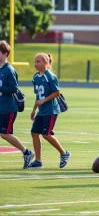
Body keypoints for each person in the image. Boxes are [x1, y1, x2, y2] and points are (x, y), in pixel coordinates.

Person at [28, 53, 70, 169]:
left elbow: (57, 92)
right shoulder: (35, 78)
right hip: (41, 111)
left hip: (51, 110)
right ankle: (38, 161)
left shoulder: (50, 76)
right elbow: (38, 97)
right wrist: (34, 110)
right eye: (35, 61)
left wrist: (45, 100)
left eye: (38, 61)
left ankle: (64, 153)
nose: (36, 64)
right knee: (34, 133)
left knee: (46, 134)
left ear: (46, 62)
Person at [0, 41, 34, 169]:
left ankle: (27, 152)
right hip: (1, 105)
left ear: (5, 54)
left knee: (5, 134)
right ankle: (27, 152)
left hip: (8, 107)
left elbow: (14, 89)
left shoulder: (9, 70)